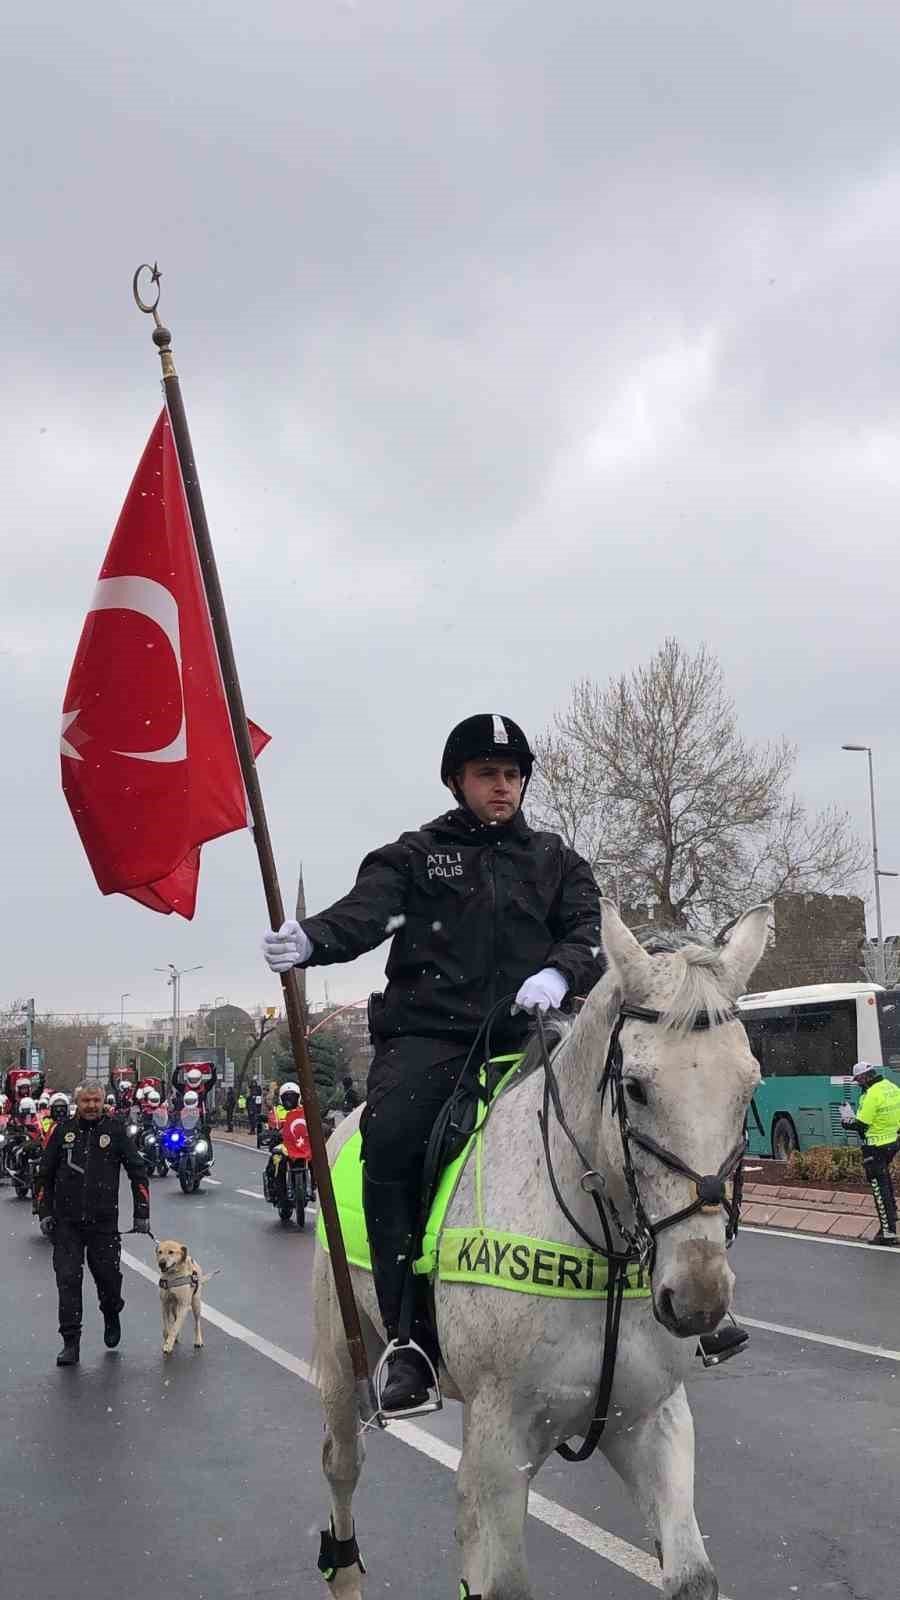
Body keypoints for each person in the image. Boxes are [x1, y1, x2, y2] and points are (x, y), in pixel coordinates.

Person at [263, 712, 604, 1411]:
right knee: (389, 1140)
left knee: (634, 1110)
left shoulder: (557, 860)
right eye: (487, 774)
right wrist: (310, 940)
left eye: (512, 775)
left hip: (533, 1031)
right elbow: (363, 916)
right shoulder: (418, 856)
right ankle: (408, 1340)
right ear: (458, 781)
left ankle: (686, 1299)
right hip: (433, 1038)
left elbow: (588, 933)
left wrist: (562, 975)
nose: (502, 787)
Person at [36, 1081, 150, 1366]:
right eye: (86, 1101)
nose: (91, 1106)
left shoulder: (114, 1131)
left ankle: (111, 1313)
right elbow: (44, 1174)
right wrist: (44, 1211)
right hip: (67, 1224)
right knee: (68, 1281)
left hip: (103, 1223)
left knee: (109, 1280)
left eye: (96, 1101)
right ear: (78, 1102)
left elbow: (138, 1171)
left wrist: (142, 1212)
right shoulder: (63, 1132)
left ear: (103, 1102)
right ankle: (71, 1342)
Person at [841, 1061, 900, 1245]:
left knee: (879, 1189)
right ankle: (891, 1222)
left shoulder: (872, 1095)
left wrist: (846, 1120)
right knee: (886, 1185)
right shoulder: (891, 1087)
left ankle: (888, 1232)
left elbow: (861, 1124)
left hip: (874, 1147)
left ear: (865, 1077)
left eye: (858, 1080)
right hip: (892, 1143)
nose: (858, 1084)